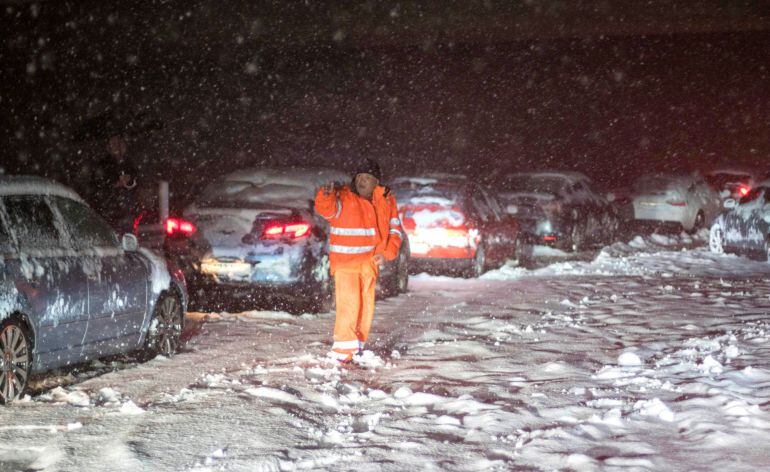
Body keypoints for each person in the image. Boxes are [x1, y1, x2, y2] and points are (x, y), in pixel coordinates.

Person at [314, 158, 403, 363]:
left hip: (369, 263)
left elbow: (394, 229)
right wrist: (325, 195)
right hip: (346, 264)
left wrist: (387, 252)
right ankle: (342, 352)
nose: (362, 181)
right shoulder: (344, 197)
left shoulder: (386, 199)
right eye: (359, 177)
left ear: (376, 182)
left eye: (368, 178)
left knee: (365, 307)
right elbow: (328, 209)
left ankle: (357, 347)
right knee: (349, 305)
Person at [92, 135, 140, 232]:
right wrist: (114, 184)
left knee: (127, 234)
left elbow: (136, 181)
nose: (117, 147)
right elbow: (97, 183)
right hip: (108, 207)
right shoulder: (103, 164)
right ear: (108, 147)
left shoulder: (129, 163)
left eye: (119, 144)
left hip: (126, 209)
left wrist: (129, 181)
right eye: (113, 144)